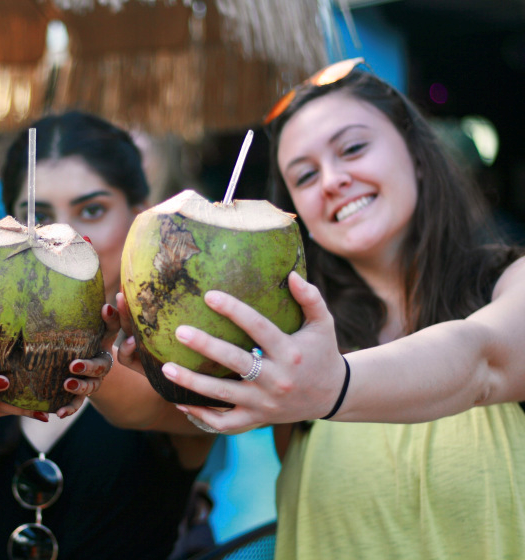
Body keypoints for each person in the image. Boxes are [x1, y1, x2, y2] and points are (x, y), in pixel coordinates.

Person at [117, 58, 525, 558]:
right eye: (305, 176)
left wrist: (333, 386)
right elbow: (149, 409)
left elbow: (482, 360)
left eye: (353, 148)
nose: (331, 181)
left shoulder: (512, 283)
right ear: (297, 215)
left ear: (417, 153)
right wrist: (119, 361)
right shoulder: (285, 339)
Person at [0, 111, 217, 559]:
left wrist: (83, 353)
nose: (64, 234)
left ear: (139, 218)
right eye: (35, 213)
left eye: (92, 210)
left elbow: (157, 406)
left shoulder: (177, 356)